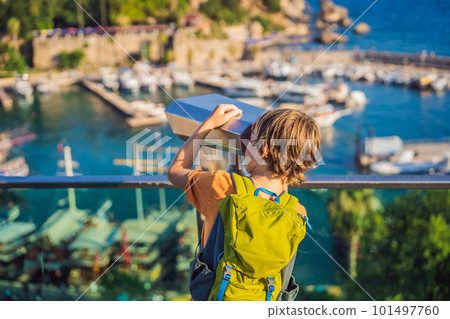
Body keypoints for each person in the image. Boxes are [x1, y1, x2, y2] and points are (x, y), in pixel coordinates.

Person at [168, 104, 321, 300]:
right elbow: (276, 194)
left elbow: (175, 171)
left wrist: (208, 125)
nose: (245, 145)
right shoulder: (298, 212)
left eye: (251, 140)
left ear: (263, 150)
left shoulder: (220, 185)